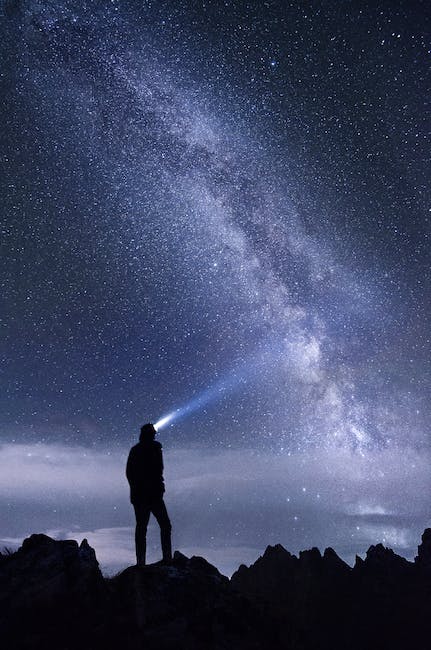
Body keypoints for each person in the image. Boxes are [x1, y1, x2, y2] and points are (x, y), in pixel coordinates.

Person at [126, 423, 172, 566]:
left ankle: (141, 562)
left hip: (141, 496)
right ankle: (166, 558)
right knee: (163, 525)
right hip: (150, 495)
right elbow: (158, 470)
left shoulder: (137, 450)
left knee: (142, 528)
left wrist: (137, 489)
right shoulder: (155, 448)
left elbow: (130, 473)